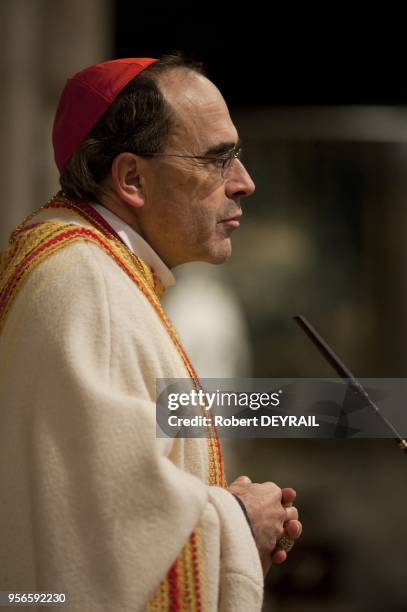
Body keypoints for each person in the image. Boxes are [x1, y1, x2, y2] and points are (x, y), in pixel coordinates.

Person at [0, 54, 302, 611]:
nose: (245, 183)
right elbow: (100, 544)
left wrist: (220, 505)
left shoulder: (93, 267)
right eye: (218, 160)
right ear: (132, 179)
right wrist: (237, 521)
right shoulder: (85, 285)